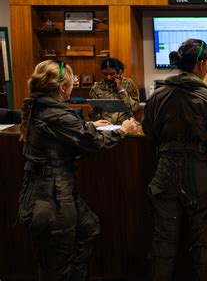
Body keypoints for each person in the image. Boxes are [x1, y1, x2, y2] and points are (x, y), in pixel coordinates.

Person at [16, 60, 137, 280]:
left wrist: (90, 126)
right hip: (52, 195)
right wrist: (123, 131)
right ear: (63, 88)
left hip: (50, 190)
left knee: (88, 229)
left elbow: (71, 132)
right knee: (55, 263)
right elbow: (91, 143)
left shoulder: (42, 106)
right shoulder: (57, 113)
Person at [142, 39, 207, 280]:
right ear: (202, 65)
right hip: (198, 175)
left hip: (165, 172)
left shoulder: (157, 96)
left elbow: (149, 132)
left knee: (163, 242)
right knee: (203, 242)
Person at [89, 57, 139, 124]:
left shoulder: (128, 83)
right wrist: (93, 114)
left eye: (112, 74)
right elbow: (93, 117)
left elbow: (134, 108)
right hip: (105, 127)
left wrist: (120, 89)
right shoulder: (96, 88)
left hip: (127, 124)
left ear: (119, 72)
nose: (108, 77)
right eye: (105, 74)